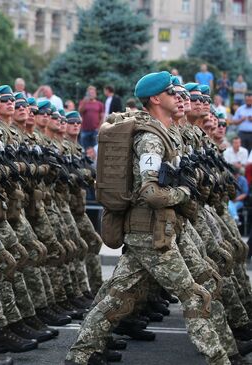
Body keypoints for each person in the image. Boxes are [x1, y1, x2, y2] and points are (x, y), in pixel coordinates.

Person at [65, 71, 230, 365]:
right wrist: (182, 193)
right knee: (194, 295)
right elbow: (151, 191)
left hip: (157, 229)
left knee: (116, 295)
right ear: (155, 99)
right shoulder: (150, 139)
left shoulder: (164, 132)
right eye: (171, 93)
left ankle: (81, 354)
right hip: (150, 231)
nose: (179, 98)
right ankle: (221, 358)